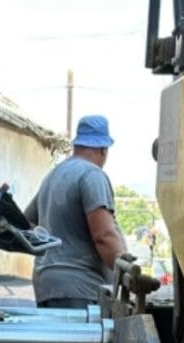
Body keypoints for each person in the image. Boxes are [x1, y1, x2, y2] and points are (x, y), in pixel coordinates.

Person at [24, 115, 126, 309]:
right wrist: (127, 274)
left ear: (77, 145)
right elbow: (104, 236)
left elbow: (26, 223)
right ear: (103, 149)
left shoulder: (53, 176)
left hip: (46, 284)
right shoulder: (92, 175)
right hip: (80, 289)